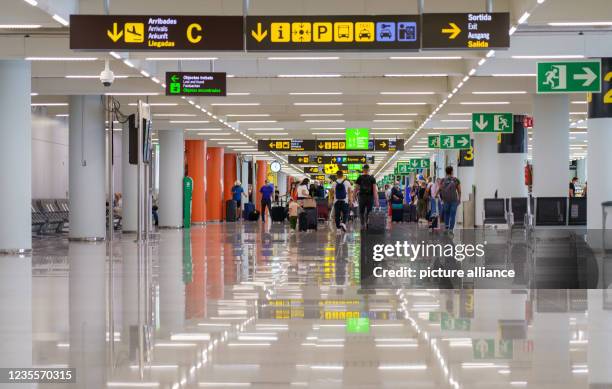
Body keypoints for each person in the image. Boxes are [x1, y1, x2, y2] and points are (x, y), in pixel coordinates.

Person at [355, 164, 379, 228]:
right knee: (369, 211)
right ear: (369, 170)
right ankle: (367, 222)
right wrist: (376, 201)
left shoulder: (359, 177)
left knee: (361, 211)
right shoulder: (372, 178)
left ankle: (362, 223)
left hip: (362, 197)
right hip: (370, 197)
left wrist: (354, 197)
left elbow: (356, 188)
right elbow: (374, 190)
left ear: (363, 170)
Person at [440, 166, 461, 232]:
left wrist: (441, 199)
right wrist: (459, 199)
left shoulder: (443, 180)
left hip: (445, 200)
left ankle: (446, 226)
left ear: (445, 172)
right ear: (452, 171)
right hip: (454, 200)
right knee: (453, 214)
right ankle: (451, 229)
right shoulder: (456, 180)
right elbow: (459, 190)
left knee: (446, 213)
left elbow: (440, 189)